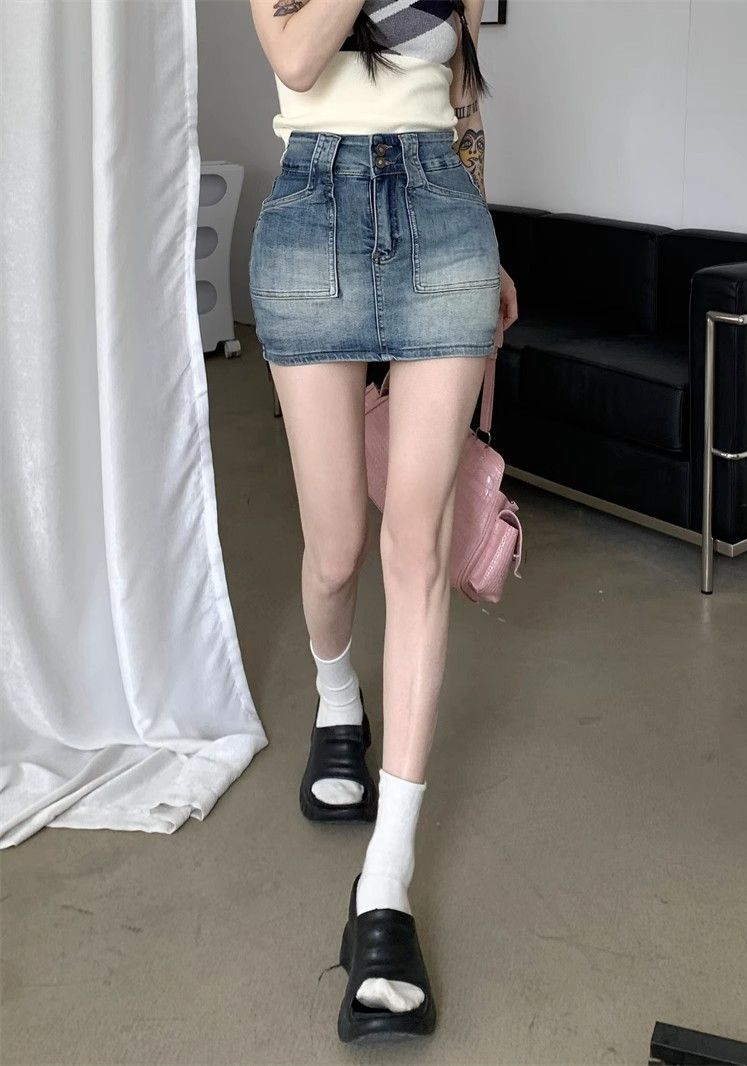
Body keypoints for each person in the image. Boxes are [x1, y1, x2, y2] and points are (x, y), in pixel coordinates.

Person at [248, 0, 518, 1043]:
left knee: (417, 544)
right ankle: (335, 700)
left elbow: (461, 104)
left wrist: (486, 242)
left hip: (442, 221)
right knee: (335, 553)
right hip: (310, 215)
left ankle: (385, 884)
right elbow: (297, 55)